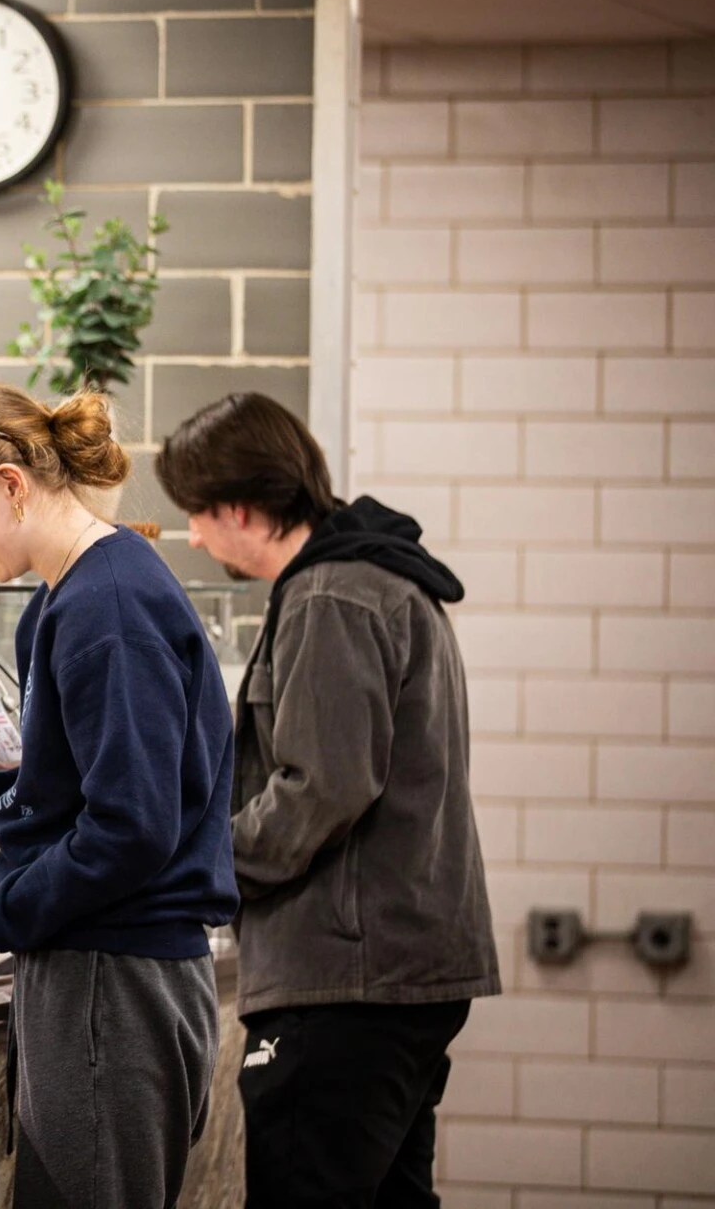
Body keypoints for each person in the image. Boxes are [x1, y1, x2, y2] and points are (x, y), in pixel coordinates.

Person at [0, 381, 239, 1209]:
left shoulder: (106, 609)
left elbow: (128, 829)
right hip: (94, 974)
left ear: (10, 485)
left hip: (116, 981)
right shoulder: (63, 598)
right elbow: (79, 773)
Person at [155, 392, 501, 1209]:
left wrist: (195, 867)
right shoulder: (380, 577)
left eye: (197, 515)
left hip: (346, 981)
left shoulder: (329, 597)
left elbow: (320, 788)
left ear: (240, 507)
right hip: (405, 969)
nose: (193, 537)